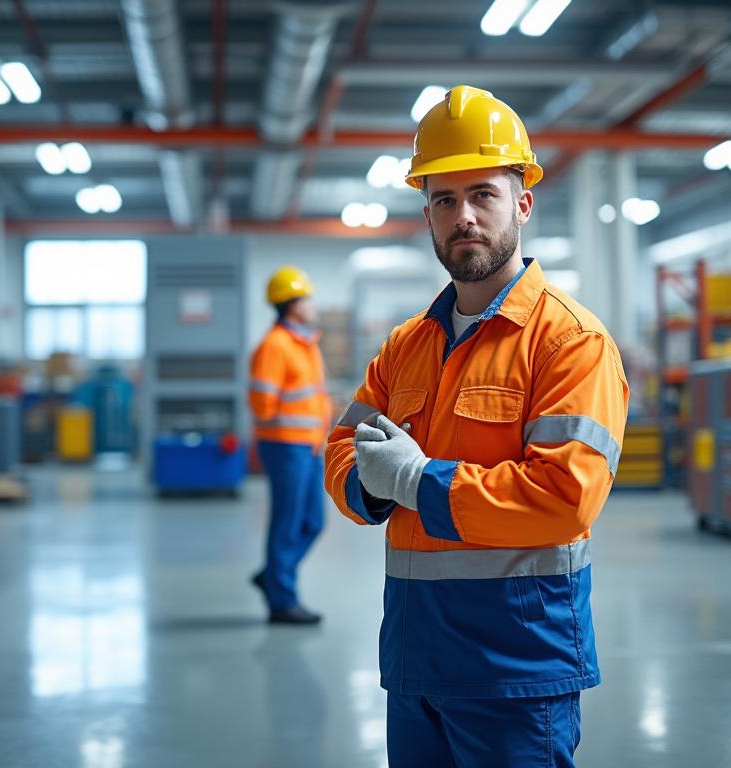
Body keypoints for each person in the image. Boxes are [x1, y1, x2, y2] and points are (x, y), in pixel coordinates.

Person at [323, 85, 629, 766]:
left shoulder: (569, 343)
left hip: (515, 671)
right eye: (443, 199)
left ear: (522, 203)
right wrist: (372, 488)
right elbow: (343, 448)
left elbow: (563, 496)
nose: (464, 216)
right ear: (428, 216)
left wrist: (417, 480)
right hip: (414, 664)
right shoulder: (406, 346)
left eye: (483, 194)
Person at [249, 266, 332, 625]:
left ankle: (272, 575)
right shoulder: (275, 346)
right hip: (285, 446)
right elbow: (261, 403)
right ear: (291, 303)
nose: (313, 304)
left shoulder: (306, 343)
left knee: (313, 521)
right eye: (307, 298)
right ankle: (282, 601)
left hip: (309, 446)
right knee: (287, 522)